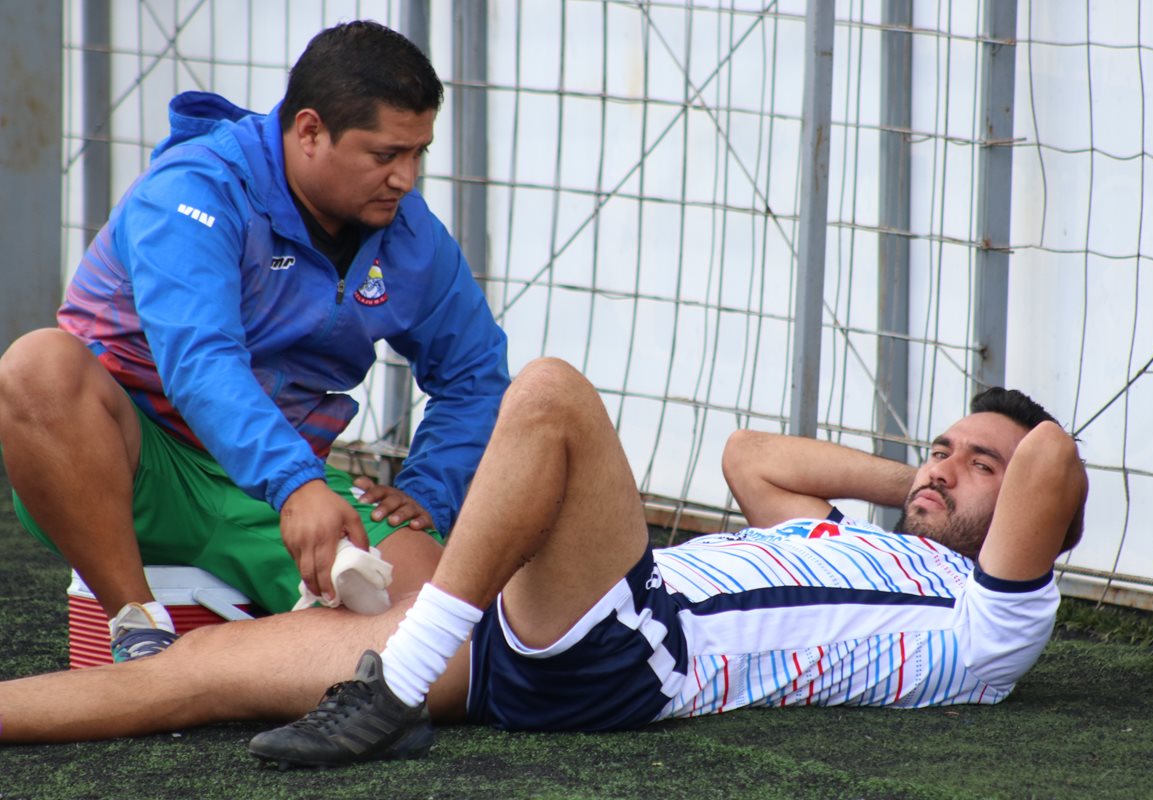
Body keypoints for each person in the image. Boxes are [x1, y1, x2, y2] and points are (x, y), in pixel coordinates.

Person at [0, 358, 1087, 760]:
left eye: (976, 462)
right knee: (175, 684)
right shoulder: (848, 531)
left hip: (640, 651)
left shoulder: (995, 620)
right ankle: (398, 651)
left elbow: (1049, 455)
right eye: (940, 444)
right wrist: (929, 480)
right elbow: (752, 454)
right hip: (527, 638)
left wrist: (990, 472)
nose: (945, 463)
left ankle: (396, 680)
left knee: (553, 395)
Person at [0, 21, 509, 661]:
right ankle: (137, 627)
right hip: (132, 465)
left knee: (446, 643)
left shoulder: (412, 234)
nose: (406, 179)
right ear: (309, 131)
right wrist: (296, 485)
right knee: (37, 364)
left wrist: (428, 494)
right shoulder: (194, 190)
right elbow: (201, 359)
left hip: (273, 484)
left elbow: (475, 373)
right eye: (385, 155)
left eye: (418, 154)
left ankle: (254, 650)